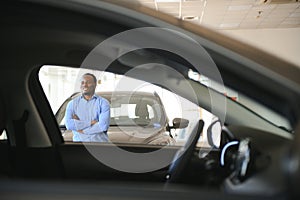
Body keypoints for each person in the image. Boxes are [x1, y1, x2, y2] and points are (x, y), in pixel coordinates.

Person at [65, 73, 110, 142]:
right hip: (79, 146)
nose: (85, 85)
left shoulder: (103, 103)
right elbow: (69, 125)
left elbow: (103, 126)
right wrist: (91, 123)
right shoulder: (72, 104)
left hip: (100, 146)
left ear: (95, 85)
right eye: (82, 83)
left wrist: (81, 129)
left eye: (88, 82)